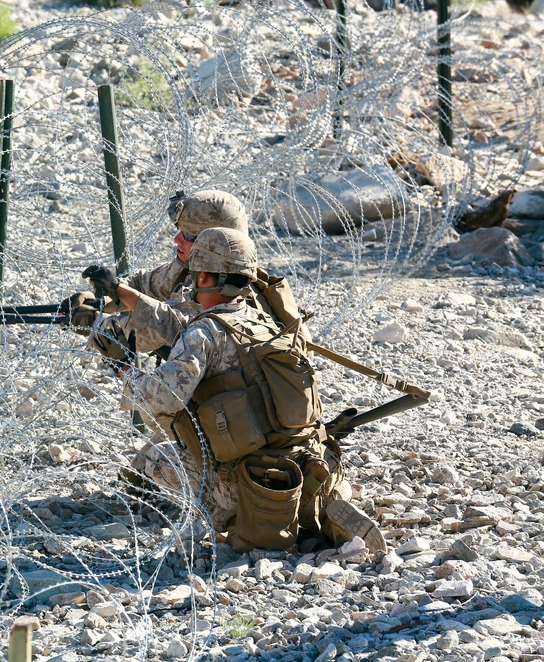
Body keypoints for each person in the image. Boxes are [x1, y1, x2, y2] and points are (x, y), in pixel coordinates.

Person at [112, 226, 386, 553]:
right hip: (306, 456)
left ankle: (228, 516)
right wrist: (123, 293)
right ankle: (325, 502)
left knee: (155, 458)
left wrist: (126, 369)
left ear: (207, 278)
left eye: (197, 273)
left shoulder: (203, 335)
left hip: (247, 476)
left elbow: (164, 398)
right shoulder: (266, 320)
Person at [70, 189, 250, 362]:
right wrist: (104, 298)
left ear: (212, 244)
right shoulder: (195, 267)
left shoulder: (218, 290)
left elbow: (148, 331)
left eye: (187, 235)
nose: (176, 239)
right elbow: (147, 284)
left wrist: (95, 321)